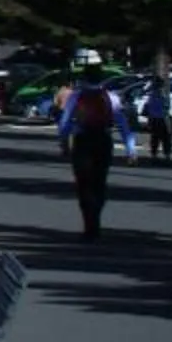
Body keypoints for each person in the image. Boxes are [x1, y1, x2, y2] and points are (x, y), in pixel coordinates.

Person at [57, 71, 120, 241]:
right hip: (103, 139)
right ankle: (96, 218)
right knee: (100, 181)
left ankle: (89, 223)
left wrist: (63, 141)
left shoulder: (76, 96)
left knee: (83, 183)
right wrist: (130, 147)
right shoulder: (111, 97)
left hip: (83, 140)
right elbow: (121, 121)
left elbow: (65, 121)